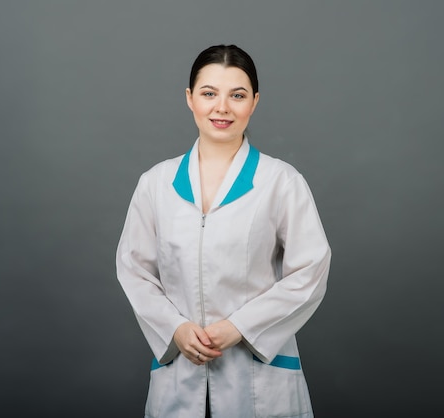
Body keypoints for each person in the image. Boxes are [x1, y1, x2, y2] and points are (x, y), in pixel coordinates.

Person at [115, 44, 331, 418]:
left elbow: (311, 271)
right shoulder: (156, 184)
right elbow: (134, 270)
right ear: (190, 98)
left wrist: (240, 327)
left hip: (259, 382)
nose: (222, 107)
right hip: (179, 377)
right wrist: (176, 329)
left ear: (255, 102)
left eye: (238, 95)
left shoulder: (280, 181)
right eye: (209, 93)